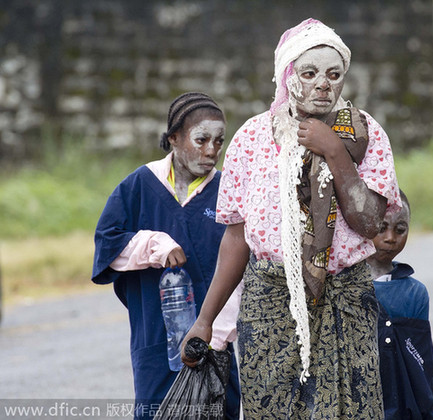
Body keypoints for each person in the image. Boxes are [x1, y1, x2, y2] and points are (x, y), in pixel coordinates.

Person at [182, 19, 401, 418]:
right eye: (310, 72)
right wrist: (205, 320)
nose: (323, 83)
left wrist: (334, 150)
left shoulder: (364, 134)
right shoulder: (252, 139)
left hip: (346, 301)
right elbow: (236, 239)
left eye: (334, 74)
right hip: (269, 305)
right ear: (288, 76)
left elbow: (371, 223)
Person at [91, 92, 240, 420]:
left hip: (215, 344)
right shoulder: (140, 186)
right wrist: (153, 244)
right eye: (201, 139)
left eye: (219, 141)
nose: (212, 150)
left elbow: (243, 265)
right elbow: (107, 245)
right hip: (157, 342)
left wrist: (219, 335)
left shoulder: (229, 191)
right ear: (174, 138)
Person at [367, 189, 433, 419]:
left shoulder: (414, 293)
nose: (391, 237)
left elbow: (421, 365)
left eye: (400, 230)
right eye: (381, 228)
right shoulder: (346, 284)